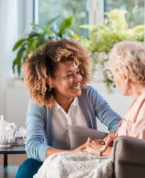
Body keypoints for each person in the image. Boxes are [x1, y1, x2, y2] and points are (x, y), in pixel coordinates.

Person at [33, 41, 145, 178]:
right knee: (56, 161)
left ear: (125, 76)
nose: (114, 80)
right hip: (136, 162)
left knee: (59, 164)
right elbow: (136, 139)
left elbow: (139, 154)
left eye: (113, 74)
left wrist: (102, 149)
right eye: (69, 75)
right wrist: (114, 137)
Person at [15, 39, 122, 178]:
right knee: (28, 166)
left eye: (78, 72)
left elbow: (117, 123)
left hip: (86, 161)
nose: (78, 79)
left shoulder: (88, 94)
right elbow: (34, 146)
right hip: (53, 161)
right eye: (69, 75)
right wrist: (73, 154)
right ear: (49, 80)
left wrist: (112, 135)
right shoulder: (38, 103)